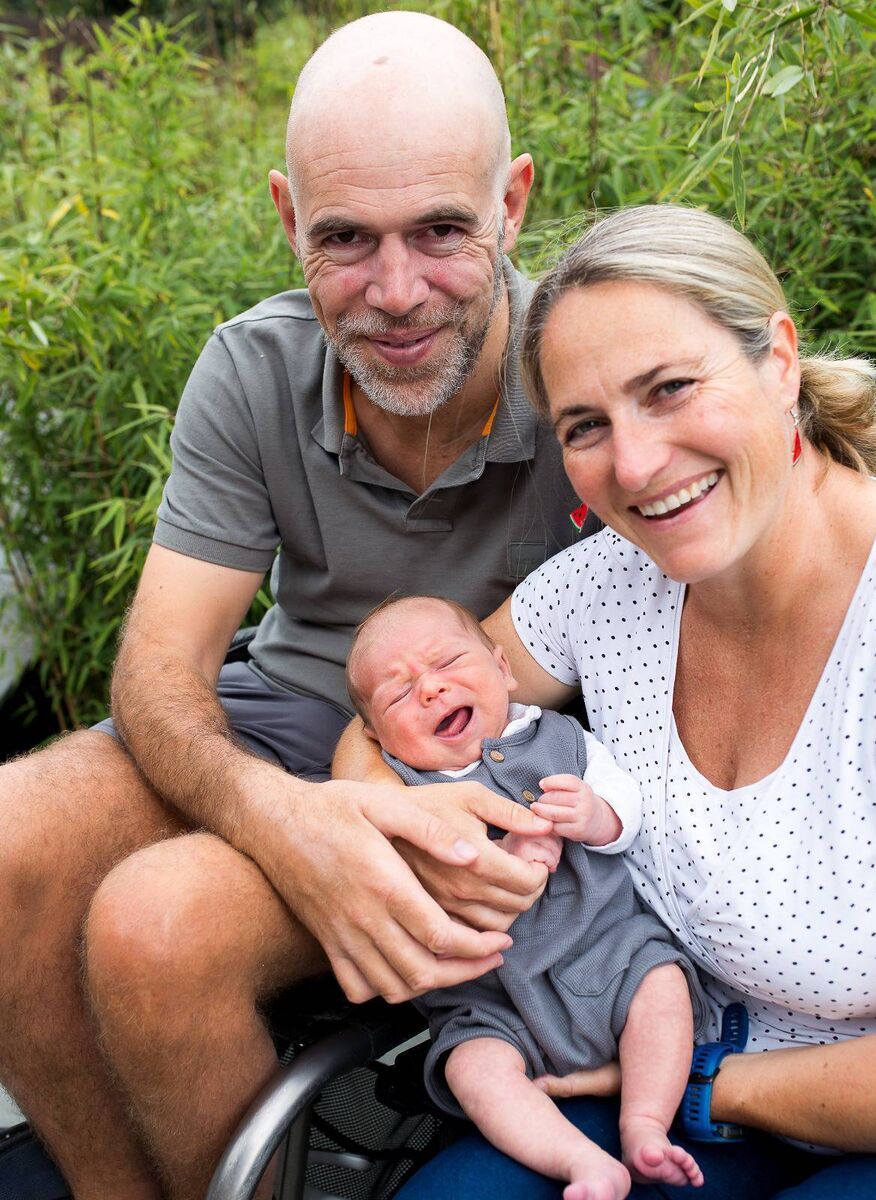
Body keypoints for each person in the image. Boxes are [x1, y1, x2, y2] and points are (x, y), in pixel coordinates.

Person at [0, 13, 598, 1200]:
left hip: (498, 765)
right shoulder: (253, 367)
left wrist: (368, 797)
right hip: (280, 719)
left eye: (440, 230)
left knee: (155, 931)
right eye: (344, 239)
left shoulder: (587, 372)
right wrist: (290, 819)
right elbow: (162, 670)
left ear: (514, 203)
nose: (394, 292)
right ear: (286, 219)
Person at [385, 205, 876, 1198]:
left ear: (779, 359)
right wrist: (388, 813)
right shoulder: (606, 584)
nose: (638, 464)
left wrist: (699, 1084)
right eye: (587, 427)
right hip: (659, 1074)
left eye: (671, 389)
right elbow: (398, 709)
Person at [346, 594, 709, 1197]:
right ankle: (579, 1161)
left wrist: (597, 816)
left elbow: (627, 806)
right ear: (374, 735)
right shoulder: (403, 795)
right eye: (399, 694)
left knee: (663, 987)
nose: (431, 690)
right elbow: (403, 896)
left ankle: (645, 1124)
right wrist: (497, 862)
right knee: (471, 1067)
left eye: (447, 663)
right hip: (494, 1006)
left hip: (613, 956)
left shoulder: (562, 739)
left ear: (502, 669)